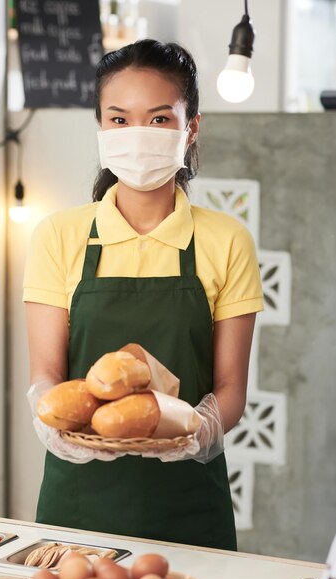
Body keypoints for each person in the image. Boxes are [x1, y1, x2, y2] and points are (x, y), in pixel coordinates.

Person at [23, 39, 263, 550]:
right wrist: (52, 426)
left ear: (190, 126)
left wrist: (197, 432)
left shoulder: (226, 240)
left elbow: (231, 389)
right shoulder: (58, 236)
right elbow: (46, 375)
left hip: (189, 508)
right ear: (101, 129)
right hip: (78, 506)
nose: (137, 135)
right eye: (119, 119)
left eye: (158, 119)